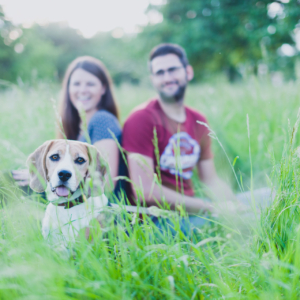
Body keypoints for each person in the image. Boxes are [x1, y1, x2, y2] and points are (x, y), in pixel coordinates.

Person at [122, 44, 242, 233]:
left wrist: (234, 205)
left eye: (172, 70)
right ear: (153, 79)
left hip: (193, 211)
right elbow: (144, 190)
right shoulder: (141, 119)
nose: (167, 78)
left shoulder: (198, 120)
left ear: (188, 72)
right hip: (159, 221)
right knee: (242, 225)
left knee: (266, 200)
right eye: (160, 73)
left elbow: (210, 179)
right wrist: (210, 207)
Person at [13, 56, 126, 197]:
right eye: (76, 84)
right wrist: (38, 173)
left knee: (7, 182)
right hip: (69, 194)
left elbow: (107, 185)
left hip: (100, 207)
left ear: (103, 88)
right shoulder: (76, 124)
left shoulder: (102, 120)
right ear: (68, 88)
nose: (83, 90)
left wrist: (42, 179)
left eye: (90, 84)